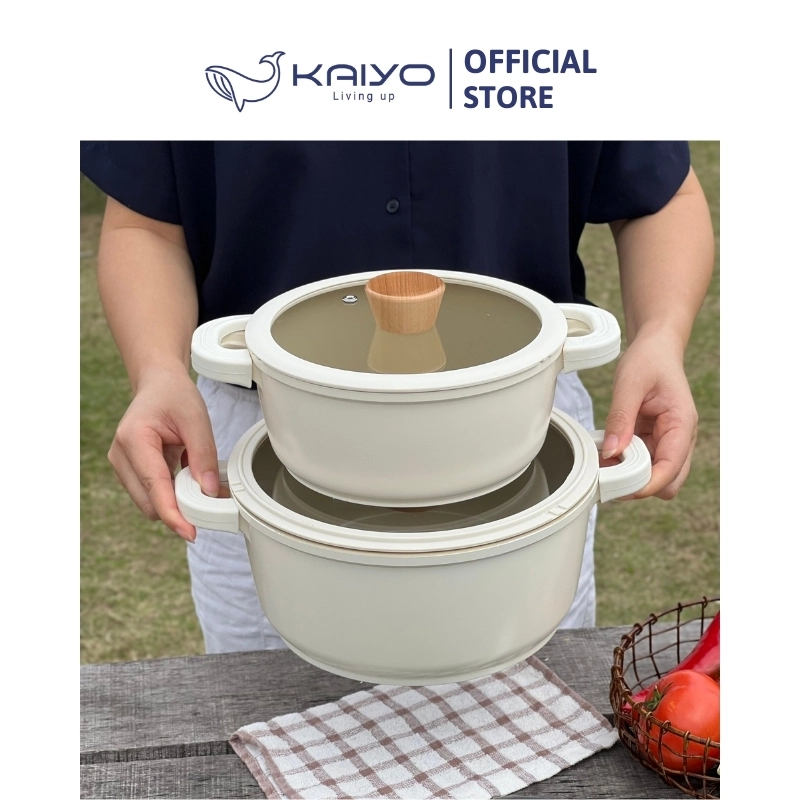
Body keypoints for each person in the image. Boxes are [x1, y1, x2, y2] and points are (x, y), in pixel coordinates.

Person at [80, 141, 714, 653]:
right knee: (270, 705)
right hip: (268, 434)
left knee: (524, 706)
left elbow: (659, 195)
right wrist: (158, 369)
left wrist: (660, 335)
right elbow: (145, 223)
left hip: (521, 424)